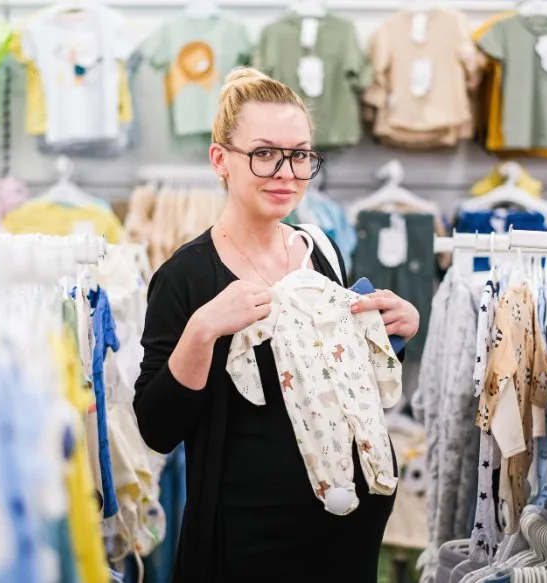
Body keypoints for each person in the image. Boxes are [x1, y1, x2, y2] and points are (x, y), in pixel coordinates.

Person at [133, 67, 421, 583]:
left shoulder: (322, 251)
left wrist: (396, 331)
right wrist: (202, 332)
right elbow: (157, 429)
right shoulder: (185, 276)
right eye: (264, 153)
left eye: (301, 154)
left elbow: (337, 375)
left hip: (347, 526)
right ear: (221, 159)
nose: (286, 171)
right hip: (249, 540)